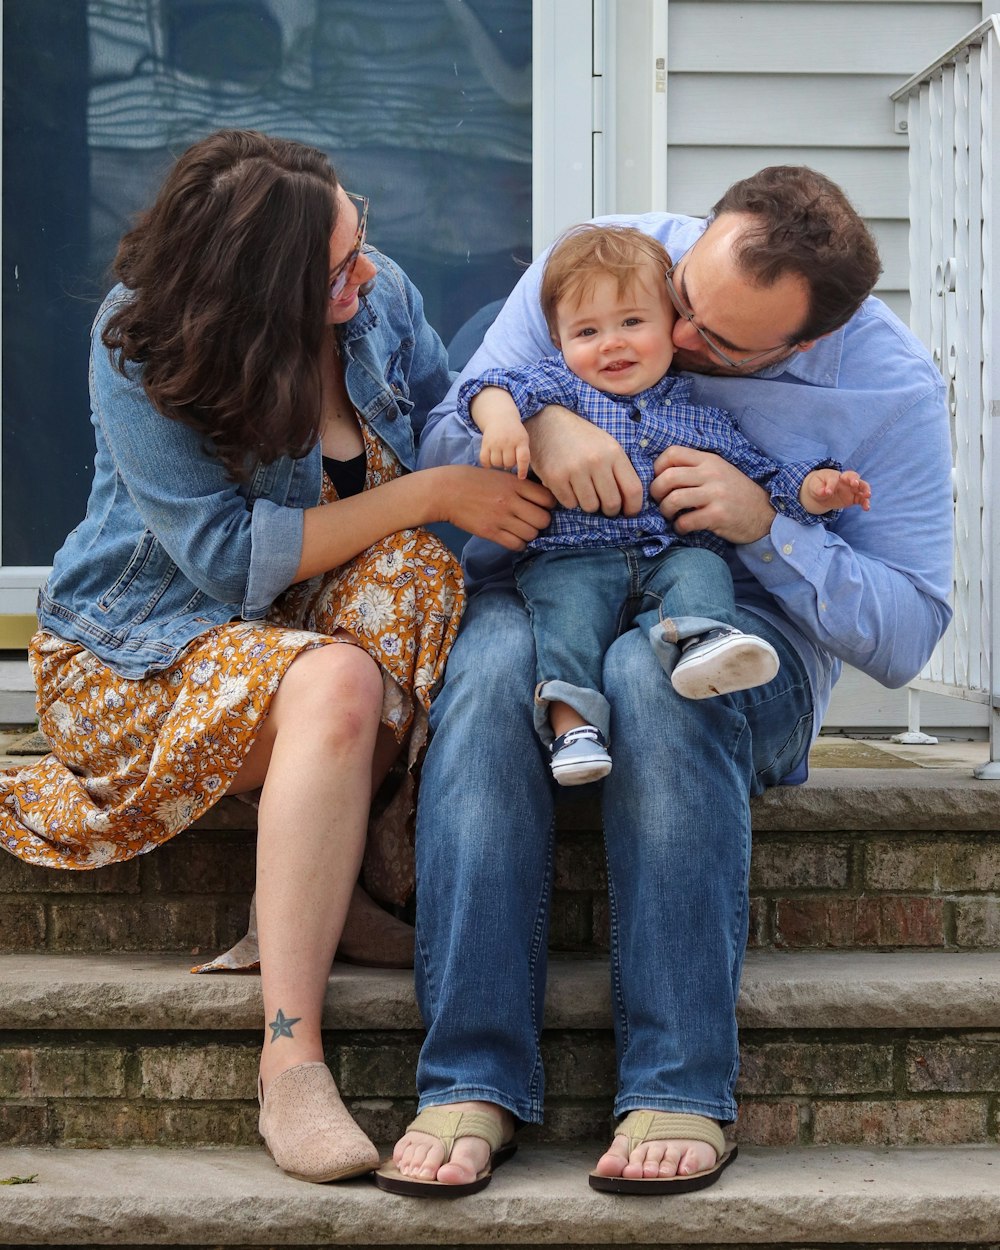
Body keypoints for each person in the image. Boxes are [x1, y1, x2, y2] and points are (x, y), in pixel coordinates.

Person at [375, 166, 953, 1197]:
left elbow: (909, 632)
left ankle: (680, 1083)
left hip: (742, 641)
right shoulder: (606, 256)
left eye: (720, 343)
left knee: (658, 675)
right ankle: (471, 1076)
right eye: (682, 297)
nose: (678, 337)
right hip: (556, 586)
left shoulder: (890, 390)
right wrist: (546, 425)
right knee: (494, 661)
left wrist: (764, 525)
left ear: (803, 342)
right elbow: (450, 440)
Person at [0, 129, 551, 1185]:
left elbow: (439, 406)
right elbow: (222, 561)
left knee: (421, 580)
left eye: (360, 242)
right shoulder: (145, 337)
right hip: (139, 651)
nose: (365, 274)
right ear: (251, 286)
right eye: (334, 269)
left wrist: (504, 412)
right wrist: (431, 494)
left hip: (299, 641)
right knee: (345, 662)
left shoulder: (376, 293)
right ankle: (289, 1056)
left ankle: (311, 873)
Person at [459, 224, 871, 785]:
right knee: (566, 622)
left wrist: (814, 489)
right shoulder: (558, 388)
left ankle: (703, 641)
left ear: (672, 329)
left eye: (632, 322)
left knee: (701, 568)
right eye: (586, 331)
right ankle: (574, 726)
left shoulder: (698, 416)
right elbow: (486, 388)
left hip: (665, 556)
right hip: (571, 558)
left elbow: (762, 476)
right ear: (559, 342)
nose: (612, 342)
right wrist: (507, 420)